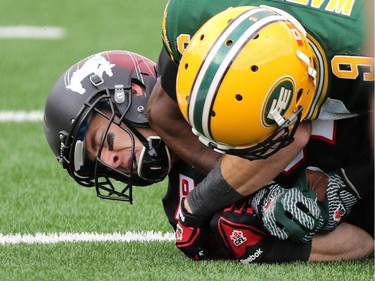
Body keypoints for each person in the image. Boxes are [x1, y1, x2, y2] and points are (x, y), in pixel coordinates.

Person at [43, 50, 373, 263]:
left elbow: (291, 137)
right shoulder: (179, 206)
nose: (111, 162)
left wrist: (204, 204)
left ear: (135, 93)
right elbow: (363, 243)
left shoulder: (212, 89)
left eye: (106, 140)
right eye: (99, 162)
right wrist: (271, 249)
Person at [147, 1, 374, 258]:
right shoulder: (191, 17)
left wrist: (350, 182)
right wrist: (203, 204)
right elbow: (163, 111)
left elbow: (294, 136)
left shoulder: (361, 50)